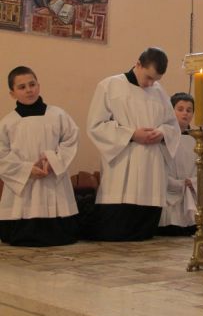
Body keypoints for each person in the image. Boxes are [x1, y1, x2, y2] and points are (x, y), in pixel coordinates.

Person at [85, 47, 181, 241]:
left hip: (151, 166)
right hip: (123, 163)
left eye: (156, 80)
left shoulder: (159, 92)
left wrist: (162, 133)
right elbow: (96, 125)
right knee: (116, 233)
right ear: (138, 64)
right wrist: (131, 134)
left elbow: (172, 125)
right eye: (148, 77)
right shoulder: (110, 86)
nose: (150, 84)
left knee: (144, 236)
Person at [0, 66, 79, 246]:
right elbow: (2, 155)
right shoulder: (7, 123)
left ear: (39, 86)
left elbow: (71, 139)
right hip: (25, 182)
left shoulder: (57, 115)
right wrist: (27, 169)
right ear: (12, 93)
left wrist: (54, 161)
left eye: (32, 84)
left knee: (61, 232)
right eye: (22, 87)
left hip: (52, 175)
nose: (29, 90)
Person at [158, 93, 203, 235]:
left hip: (194, 190)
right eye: (180, 109)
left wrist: (194, 182)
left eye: (189, 110)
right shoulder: (164, 139)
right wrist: (176, 184)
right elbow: (158, 168)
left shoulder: (199, 141)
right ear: (171, 111)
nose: (185, 113)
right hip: (171, 193)